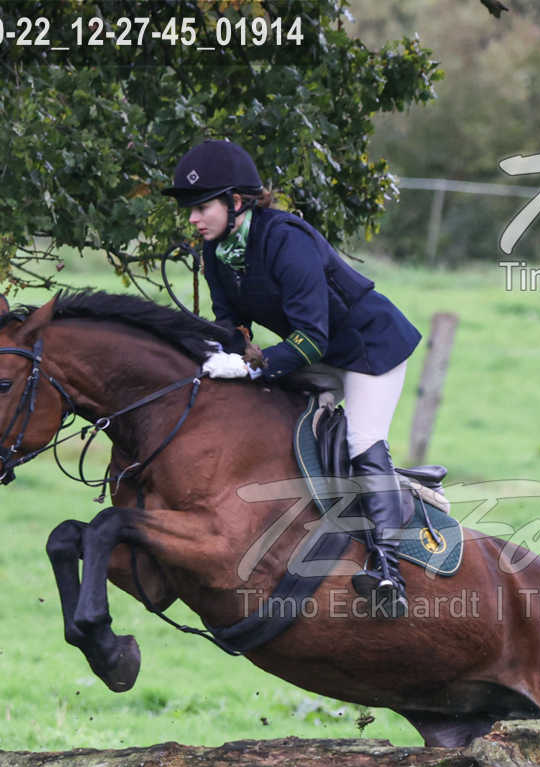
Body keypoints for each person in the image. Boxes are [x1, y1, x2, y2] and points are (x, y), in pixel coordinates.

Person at [165, 139, 423, 619]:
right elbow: (232, 324)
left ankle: (389, 571)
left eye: (202, 207)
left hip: (369, 350)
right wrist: (213, 348)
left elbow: (313, 339)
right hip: (317, 351)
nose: (193, 219)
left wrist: (251, 365)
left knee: (363, 440)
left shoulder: (286, 239)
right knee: (265, 408)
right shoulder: (217, 251)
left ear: (235, 201)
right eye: (191, 210)